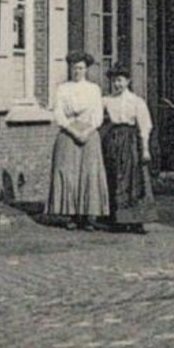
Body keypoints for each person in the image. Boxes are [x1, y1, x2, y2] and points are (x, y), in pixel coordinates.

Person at [47, 53, 110, 228]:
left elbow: (98, 115)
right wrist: (73, 131)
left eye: (81, 68)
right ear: (70, 68)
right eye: (74, 68)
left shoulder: (94, 89)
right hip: (68, 133)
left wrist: (87, 131)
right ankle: (71, 216)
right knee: (68, 173)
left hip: (89, 134)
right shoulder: (62, 89)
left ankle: (88, 216)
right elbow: (58, 113)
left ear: (86, 69)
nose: (77, 71)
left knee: (89, 172)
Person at [100, 67, 157, 233]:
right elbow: (95, 117)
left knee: (134, 178)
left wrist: (145, 149)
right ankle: (117, 219)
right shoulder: (106, 100)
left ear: (128, 81)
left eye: (120, 80)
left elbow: (145, 126)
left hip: (132, 141)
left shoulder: (137, 101)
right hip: (113, 140)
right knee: (114, 176)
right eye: (114, 81)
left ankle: (136, 220)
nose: (117, 84)